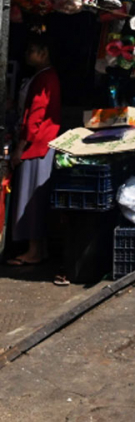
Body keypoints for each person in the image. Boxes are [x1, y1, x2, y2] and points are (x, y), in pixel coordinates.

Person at [7, 33, 61, 266]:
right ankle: (38, 249)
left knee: (31, 199)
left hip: (36, 146)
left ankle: (34, 250)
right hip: (40, 145)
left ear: (44, 53)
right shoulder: (43, 77)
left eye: (32, 50)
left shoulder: (45, 79)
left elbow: (36, 116)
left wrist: (21, 146)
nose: (28, 54)